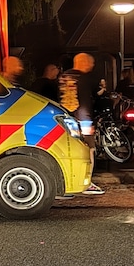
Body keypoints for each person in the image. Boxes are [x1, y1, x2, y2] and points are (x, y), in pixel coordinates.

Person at [59, 52, 105, 195]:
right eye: (90, 63)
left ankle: (64, 183)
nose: (91, 67)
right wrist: (102, 88)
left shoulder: (63, 77)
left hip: (64, 119)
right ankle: (87, 182)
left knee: (65, 150)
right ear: (83, 62)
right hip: (82, 119)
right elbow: (92, 97)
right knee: (89, 149)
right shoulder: (85, 78)